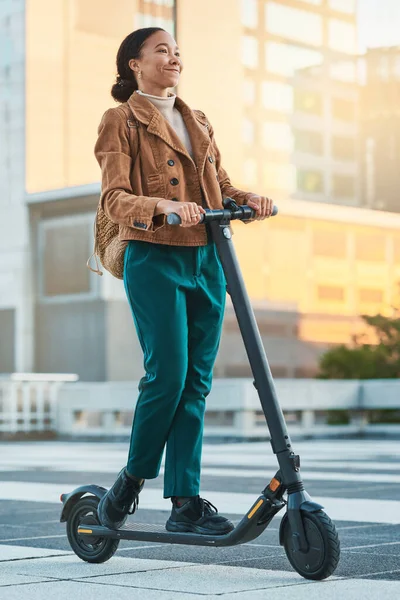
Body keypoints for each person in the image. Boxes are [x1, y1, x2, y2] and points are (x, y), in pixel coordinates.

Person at [95, 27, 273, 535]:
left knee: (196, 382)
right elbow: (114, 198)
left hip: (208, 259)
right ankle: (130, 481)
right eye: (161, 51)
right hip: (153, 257)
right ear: (134, 63)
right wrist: (164, 207)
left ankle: (185, 503)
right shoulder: (121, 119)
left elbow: (220, 183)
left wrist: (250, 199)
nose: (173, 58)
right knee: (167, 376)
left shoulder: (197, 118)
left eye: (176, 52)